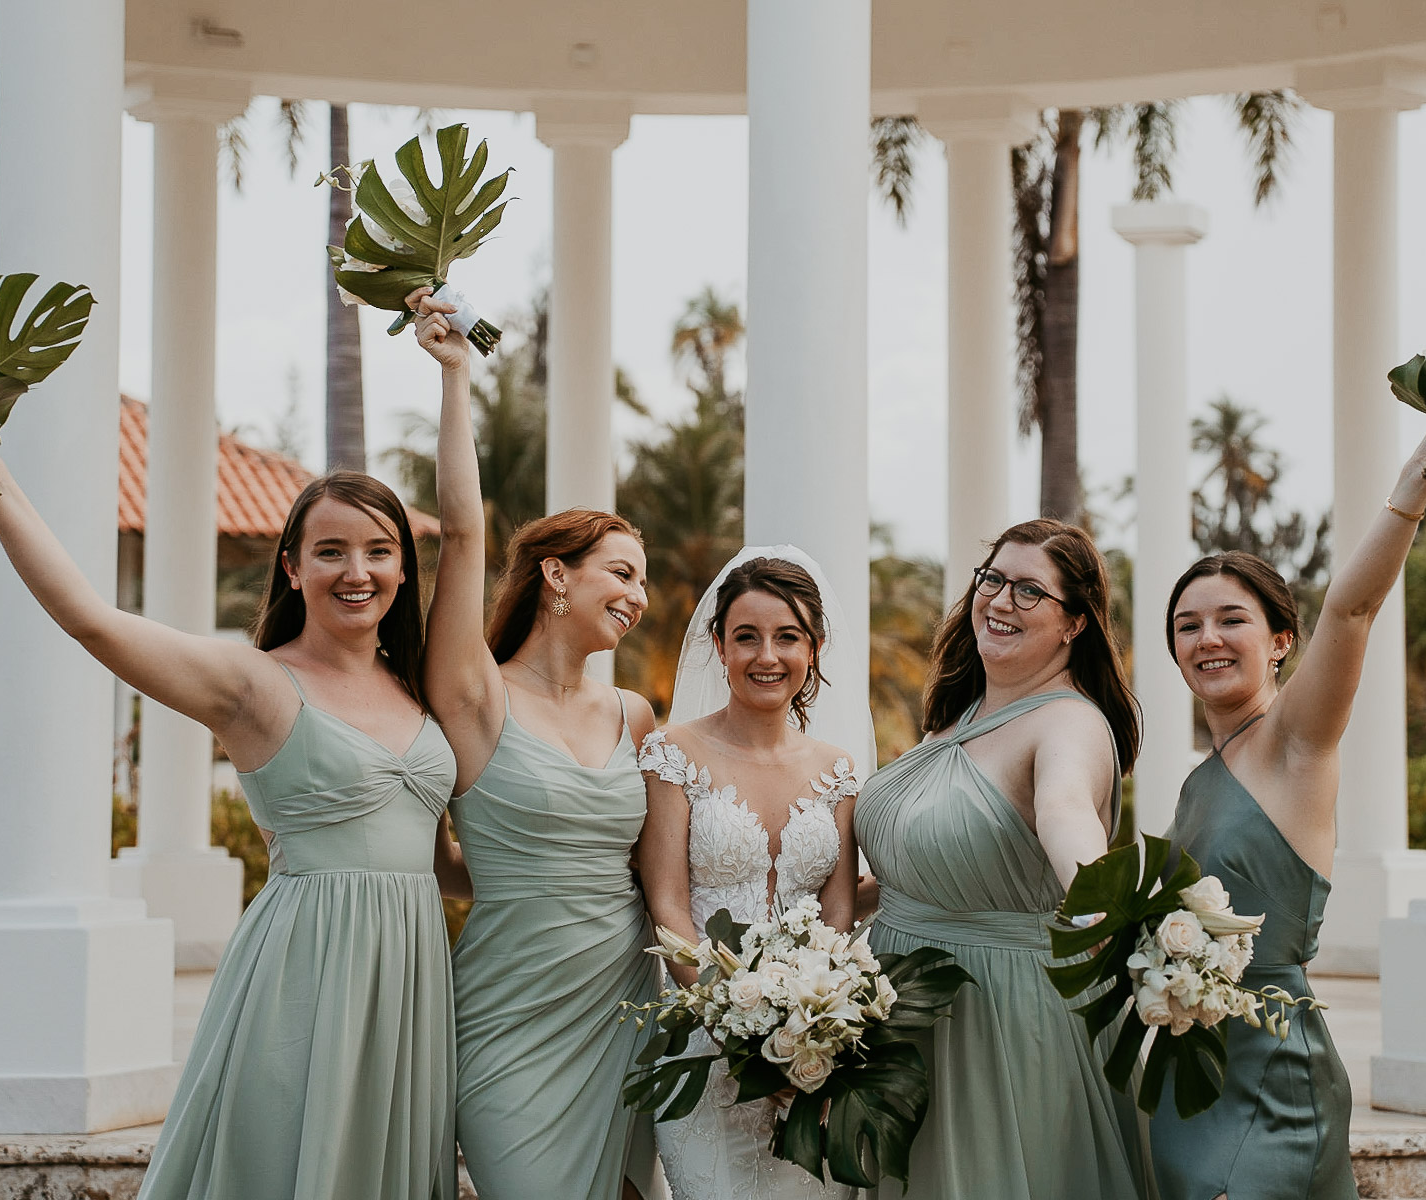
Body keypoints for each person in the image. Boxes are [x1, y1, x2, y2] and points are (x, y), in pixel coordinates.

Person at [0, 410, 457, 1200]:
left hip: (411, 984)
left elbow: (440, 863)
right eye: (331, 551)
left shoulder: (420, 688)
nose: (357, 571)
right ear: (292, 566)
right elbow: (91, 621)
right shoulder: (251, 682)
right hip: (304, 975)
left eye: (379, 551)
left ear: (405, 569)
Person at [1148, 403, 1426, 1200]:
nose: (1208, 640)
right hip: (1189, 1070)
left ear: (1279, 641)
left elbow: (1353, 608)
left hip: (1272, 1071)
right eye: (1187, 625)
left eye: (1233, 619)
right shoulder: (1198, 779)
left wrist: (1416, 486)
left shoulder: (1296, 740)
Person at [410, 289, 663, 1200]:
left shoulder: (635, 715)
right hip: (510, 1018)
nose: (638, 597)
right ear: (557, 573)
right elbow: (466, 530)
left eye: (644, 581)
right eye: (622, 573)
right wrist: (455, 378)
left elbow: (655, 868)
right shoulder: (477, 696)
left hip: (624, 1011)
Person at [854, 519, 1151, 1200]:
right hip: (901, 1011)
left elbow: (1065, 814)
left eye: (1029, 591)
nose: (999, 601)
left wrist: (1104, 902)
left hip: (995, 1020)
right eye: (993, 579)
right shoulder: (959, 710)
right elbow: (947, 861)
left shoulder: (1069, 722)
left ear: (1075, 623)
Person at [636, 549, 870, 1200]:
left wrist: (806, 1031)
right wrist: (738, 1026)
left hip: (812, 1054)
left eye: (787, 637)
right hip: (704, 1045)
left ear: (815, 647)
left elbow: (840, 911)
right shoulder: (673, 754)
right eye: (747, 637)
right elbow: (667, 903)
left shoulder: (839, 771)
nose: (767, 656)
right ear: (719, 645)